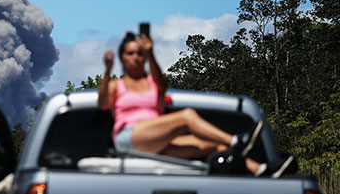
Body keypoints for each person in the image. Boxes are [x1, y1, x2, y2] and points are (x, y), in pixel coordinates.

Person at [97, 31, 277, 175]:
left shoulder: (153, 83)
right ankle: (237, 141)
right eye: (130, 53)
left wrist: (151, 54)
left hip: (157, 145)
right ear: (122, 58)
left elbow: (161, 83)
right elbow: (103, 104)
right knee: (187, 116)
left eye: (140, 53)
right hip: (129, 139)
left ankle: (261, 170)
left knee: (218, 147)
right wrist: (107, 71)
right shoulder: (116, 85)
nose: (135, 57)